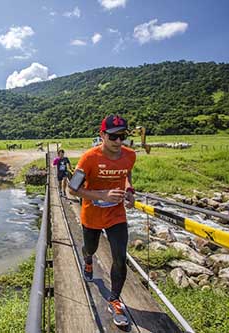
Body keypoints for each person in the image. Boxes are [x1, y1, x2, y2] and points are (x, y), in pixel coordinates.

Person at [68, 114, 136, 326]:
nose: (118, 142)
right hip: (92, 214)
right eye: (113, 137)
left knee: (119, 257)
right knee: (90, 248)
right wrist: (102, 196)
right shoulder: (89, 158)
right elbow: (72, 188)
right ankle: (87, 261)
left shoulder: (130, 155)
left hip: (116, 215)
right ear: (102, 135)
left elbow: (126, 174)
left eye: (122, 137)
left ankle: (115, 300)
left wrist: (129, 191)